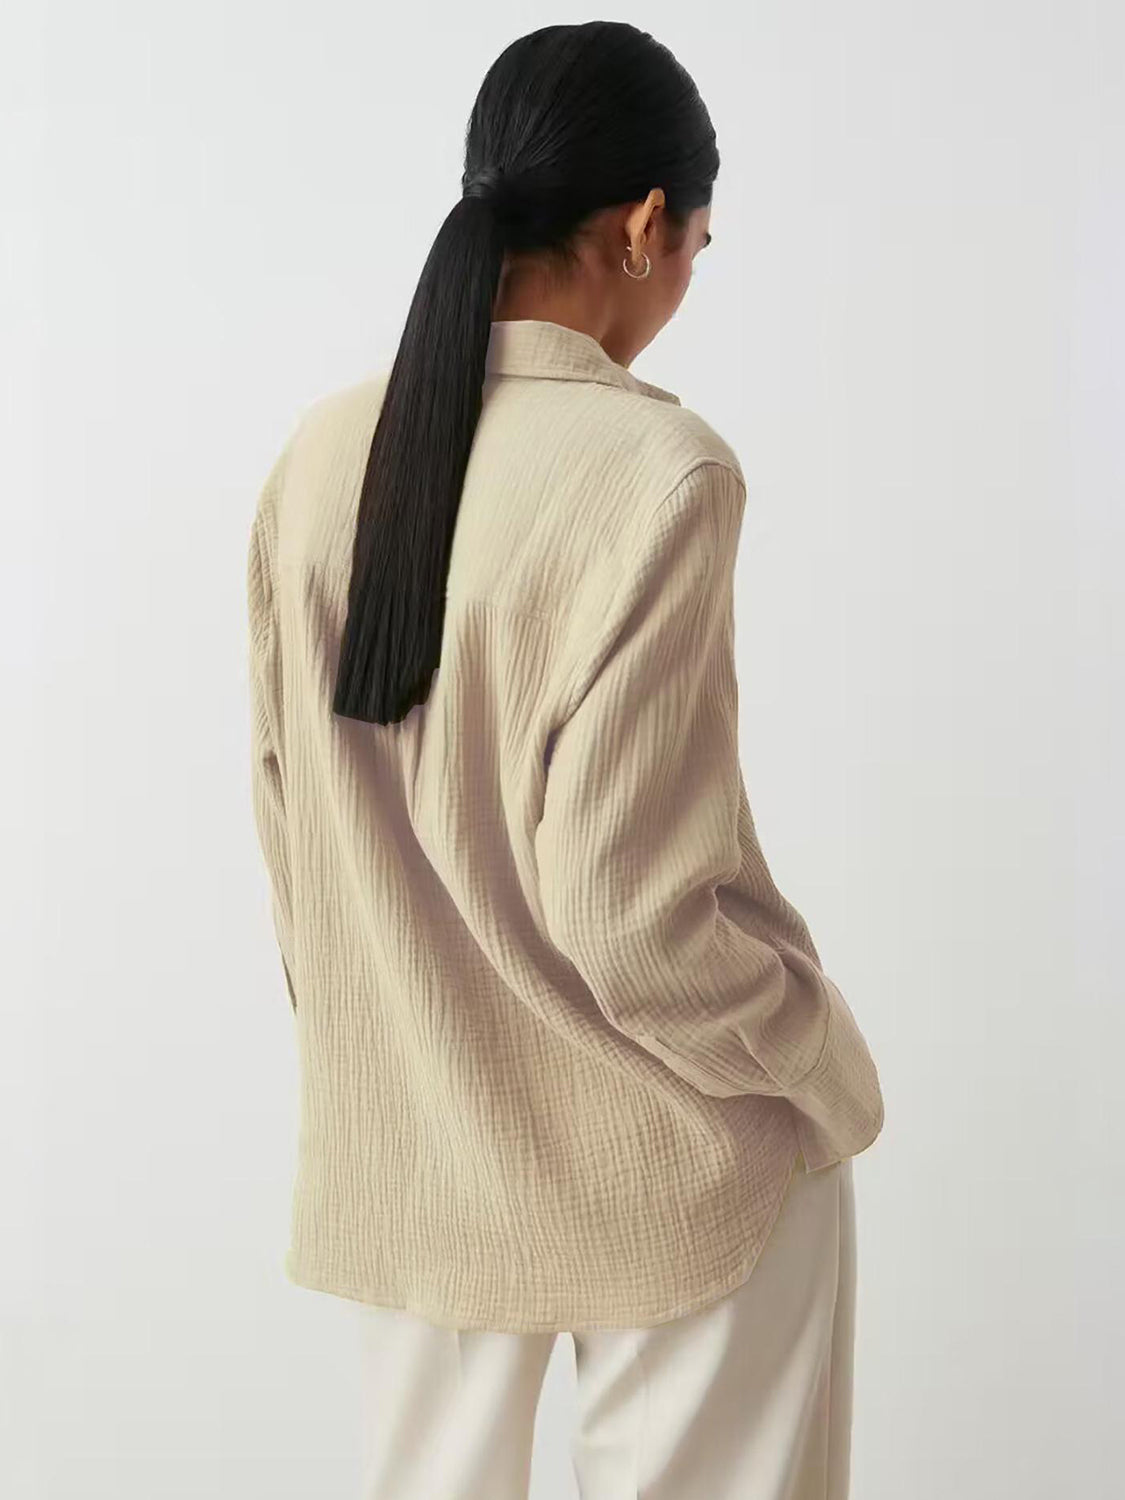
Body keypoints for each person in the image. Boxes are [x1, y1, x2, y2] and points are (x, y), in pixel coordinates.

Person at [246, 20, 884, 1500]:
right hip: (668, 1159)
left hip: (412, 1150)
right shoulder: (659, 471)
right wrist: (818, 1059)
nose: (686, 279)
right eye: (700, 245)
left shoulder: (319, 457)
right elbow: (630, 913)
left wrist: (391, 1054)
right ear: (646, 224)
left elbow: (292, 836)